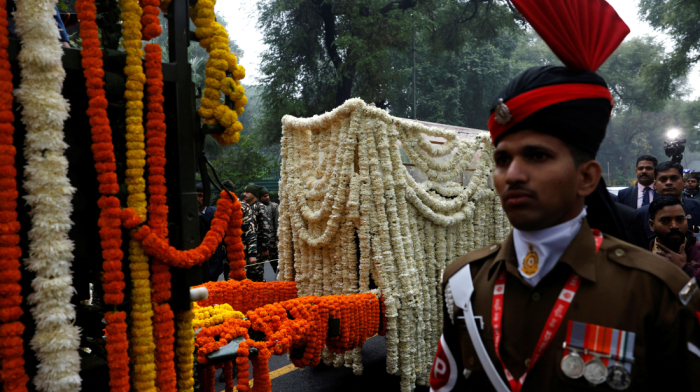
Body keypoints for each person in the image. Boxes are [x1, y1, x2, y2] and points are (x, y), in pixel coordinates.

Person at [429, 1, 700, 391]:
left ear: (588, 177)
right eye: (502, 159)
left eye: (537, 156)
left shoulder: (655, 291)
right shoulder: (464, 282)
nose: (513, 175)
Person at [633, 161, 700, 240]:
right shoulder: (640, 214)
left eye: (674, 178)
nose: (668, 183)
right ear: (655, 185)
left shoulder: (698, 208)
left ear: (683, 182)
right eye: (663, 179)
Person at [647, 196, 700, 280]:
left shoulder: (697, 251)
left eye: (680, 219)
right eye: (665, 221)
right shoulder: (642, 252)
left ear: (686, 221)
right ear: (652, 225)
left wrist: (684, 268)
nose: (674, 226)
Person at [218, 180, 258, 280]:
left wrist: (252, 253)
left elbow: (250, 230)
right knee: (228, 281)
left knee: (241, 281)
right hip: (226, 252)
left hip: (240, 252)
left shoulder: (243, 207)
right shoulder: (221, 207)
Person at [197, 182, 226, 282]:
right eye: (195, 196)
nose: (197, 199)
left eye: (200, 196)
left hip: (213, 262)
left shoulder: (215, 213)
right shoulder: (187, 214)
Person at [243, 183, 272, 282]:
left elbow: (266, 229)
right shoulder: (246, 207)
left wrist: (265, 248)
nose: (244, 194)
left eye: (247, 192)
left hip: (258, 248)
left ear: (254, 194)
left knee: (256, 275)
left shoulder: (260, 207)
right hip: (248, 247)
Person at [260, 189, 279, 274]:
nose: (267, 197)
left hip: (271, 240)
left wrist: (277, 239)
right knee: (258, 268)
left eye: (268, 195)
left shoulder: (274, 206)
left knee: (277, 266)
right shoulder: (256, 207)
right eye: (264, 196)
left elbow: (277, 223)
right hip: (260, 242)